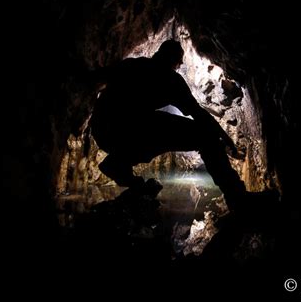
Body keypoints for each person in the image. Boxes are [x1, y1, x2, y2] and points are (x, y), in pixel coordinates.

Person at [89, 39, 269, 210]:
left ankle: (121, 165)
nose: (180, 66)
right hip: (128, 129)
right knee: (205, 137)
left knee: (150, 122)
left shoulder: (132, 65)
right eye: (179, 62)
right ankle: (238, 198)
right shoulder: (171, 80)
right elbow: (200, 116)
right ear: (174, 61)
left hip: (103, 129)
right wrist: (226, 140)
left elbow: (97, 77)